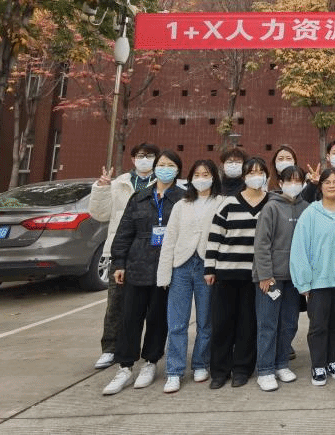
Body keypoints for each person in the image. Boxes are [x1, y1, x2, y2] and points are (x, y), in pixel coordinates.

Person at [103, 150, 184, 395]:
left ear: (178, 170)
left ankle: (150, 362)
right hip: (137, 264)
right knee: (130, 317)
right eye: (162, 164)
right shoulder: (139, 197)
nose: (165, 169)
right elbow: (124, 232)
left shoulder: (182, 199)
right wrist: (119, 263)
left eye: (171, 165)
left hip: (166, 266)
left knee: (158, 318)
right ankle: (125, 366)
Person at [89, 141, 160, 370]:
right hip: (121, 251)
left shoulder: (161, 183)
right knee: (116, 304)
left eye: (150, 156)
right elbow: (100, 214)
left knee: (150, 306)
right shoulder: (119, 183)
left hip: (152, 252)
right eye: (141, 155)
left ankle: (150, 353)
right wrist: (101, 188)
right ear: (133, 159)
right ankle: (110, 348)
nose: (145, 159)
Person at [156, 159, 224, 393]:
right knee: (177, 322)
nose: (201, 178)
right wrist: (164, 274)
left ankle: (201, 363)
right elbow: (169, 239)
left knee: (206, 321)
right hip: (182, 266)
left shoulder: (222, 202)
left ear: (213, 177)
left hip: (207, 266)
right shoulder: (181, 205)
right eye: (197, 174)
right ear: (190, 178)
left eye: (206, 174)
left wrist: (216, 267)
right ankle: (174, 371)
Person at [205, 156, 270, 389]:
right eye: (251, 172)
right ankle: (219, 371)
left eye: (260, 172)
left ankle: (242, 369)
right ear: (244, 176)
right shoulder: (229, 203)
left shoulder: (271, 203)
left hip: (255, 277)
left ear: (266, 176)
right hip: (227, 273)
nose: (256, 176)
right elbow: (215, 236)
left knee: (248, 324)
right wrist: (209, 268)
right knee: (222, 324)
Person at [289, 167, 335, 386]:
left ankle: (333, 360)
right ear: (320, 186)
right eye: (327, 182)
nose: (331, 185)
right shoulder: (311, 213)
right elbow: (299, 248)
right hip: (318, 281)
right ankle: (318, 364)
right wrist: (304, 282)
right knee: (318, 325)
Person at [253, 165, 309, 391]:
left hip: (294, 278)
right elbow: (262, 244)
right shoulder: (271, 207)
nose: (294, 185)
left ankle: (281, 363)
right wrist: (265, 275)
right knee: (267, 324)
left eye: (298, 181)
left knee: (289, 323)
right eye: (289, 180)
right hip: (272, 278)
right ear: (281, 183)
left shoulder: (306, 208)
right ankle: (265, 370)